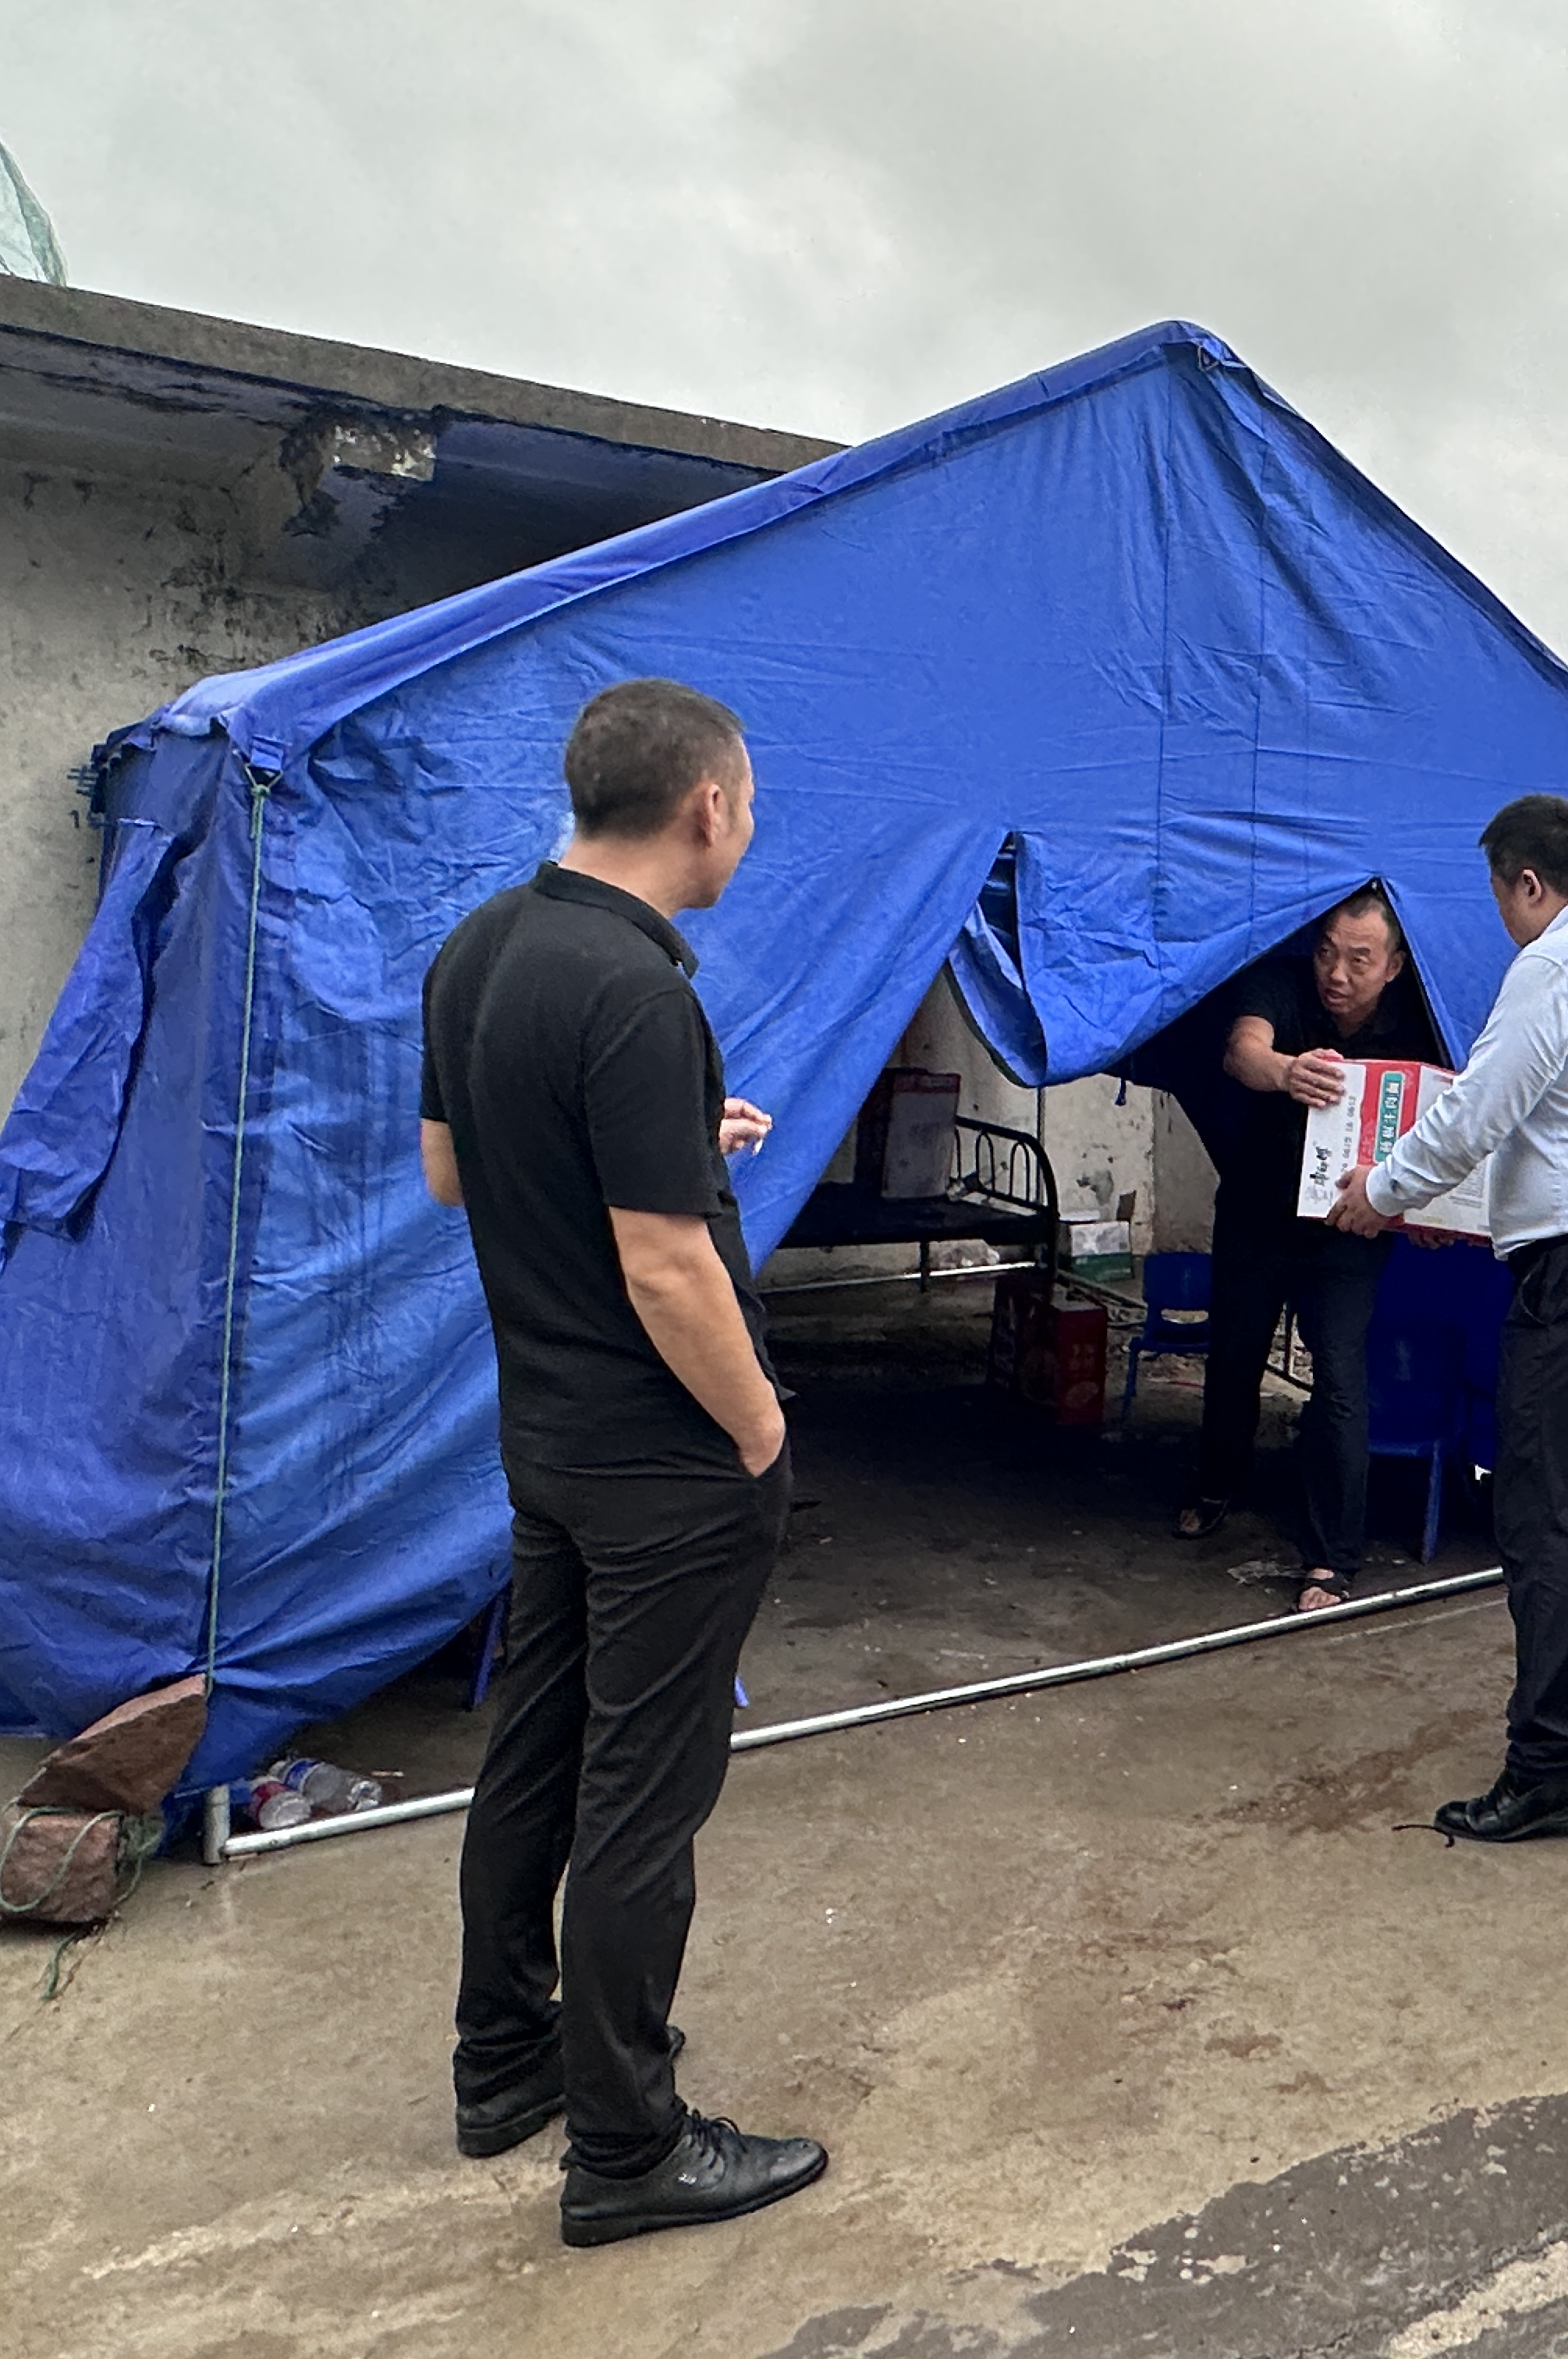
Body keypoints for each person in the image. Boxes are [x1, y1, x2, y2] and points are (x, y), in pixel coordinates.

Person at [420, 679, 825, 2248]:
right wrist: (758, 1428)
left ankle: (505, 2057)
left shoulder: (481, 949)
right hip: (665, 1463)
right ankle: (628, 2143)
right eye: (749, 803)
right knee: (645, 1794)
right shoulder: (637, 986)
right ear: (706, 804)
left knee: (536, 1752)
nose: (748, 828)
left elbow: (457, 1169)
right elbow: (663, 1267)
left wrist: (672, 1138)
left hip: (550, 1439)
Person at [1329, 794, 1568, 1841]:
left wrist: (1382, 1190)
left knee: (1551, 1515)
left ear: (1529, 883)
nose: (1504, 918)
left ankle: (1548, 1764)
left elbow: (1478, 1109)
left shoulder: (1561, 961)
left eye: (1502, 896)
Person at [1180, 884, 1442, 1609]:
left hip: (1348, 1231)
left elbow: (1448, 1119)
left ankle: (1332, 1557)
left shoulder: (1418, 1023)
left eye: (1360, 959)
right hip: (1257, 1214)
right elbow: (1242, 1051)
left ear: (1393, 967)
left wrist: (1427, 1207)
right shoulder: (1284, 985)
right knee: (1234, 1358)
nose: (1338, 973)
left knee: (1341, 1382)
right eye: (1329, 952)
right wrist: (1286, 1072)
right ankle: (1217, 1483)